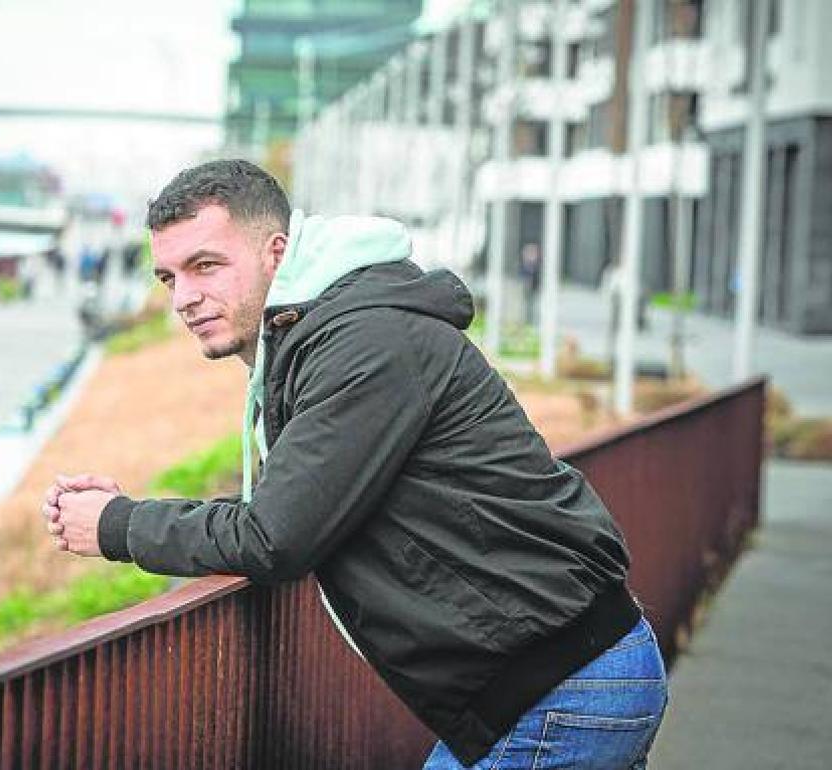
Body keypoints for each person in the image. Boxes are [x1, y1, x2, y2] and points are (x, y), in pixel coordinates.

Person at [42, 160, 667, 769]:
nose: (184, 297)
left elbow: (276, 537)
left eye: (205, 266)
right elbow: (293, 507)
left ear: (276, 253)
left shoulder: (364, 344)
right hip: (564, 679)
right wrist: (129, 514)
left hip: (559, 690)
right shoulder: (326, 335)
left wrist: (116, 526)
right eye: (168, 277)